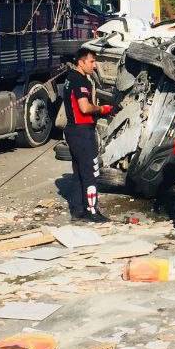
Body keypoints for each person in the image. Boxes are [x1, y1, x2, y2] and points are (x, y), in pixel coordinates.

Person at [63, 47, 117, 223]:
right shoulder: (79, 81)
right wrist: (102, 109)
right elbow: (84, 107)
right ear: (81, 62)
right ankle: (92, 211)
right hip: (82, 131)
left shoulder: (70, 78)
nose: (94, 66)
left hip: (73, 131)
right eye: (92, 62)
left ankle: (78, 210)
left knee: (79, 172)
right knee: (91, 172)